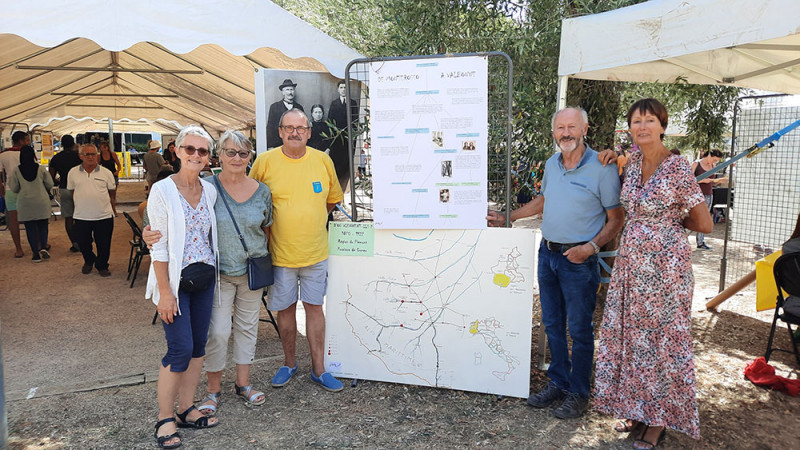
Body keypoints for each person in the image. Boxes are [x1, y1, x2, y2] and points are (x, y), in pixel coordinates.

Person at [487, 107, 623, 419]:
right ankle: (559, 382)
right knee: (552, 324)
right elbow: (544, 201)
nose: (566, 133)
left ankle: (579, 392)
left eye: (572, 127)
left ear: (585, 129)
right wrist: (508, 217)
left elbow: (616, 218)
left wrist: (590, 248)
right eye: (560, 128)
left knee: (580, 329)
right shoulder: (551, 163)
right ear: (553, 132)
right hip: (548, 254)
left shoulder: (602, 167)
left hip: (579, 260)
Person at [593, 98, 712, 449]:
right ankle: (636, 408)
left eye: (649, 120)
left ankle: (658, 419)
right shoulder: (632, 163)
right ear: (630, 127)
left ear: (662, 125)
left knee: (662, 342)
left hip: (665, 271)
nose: (642, 126)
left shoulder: (677, 168)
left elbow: (704, 223)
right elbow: (620, 176)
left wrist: (666, 224)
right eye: (636, 121)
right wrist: (610, 154)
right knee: (633, 339)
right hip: (631, 267)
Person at [143, 130, 273, 415]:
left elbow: (267, 229)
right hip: (215, 275)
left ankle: (242, 384)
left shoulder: (256, 191)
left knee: (245, 330)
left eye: (243, 153)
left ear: (250, 157)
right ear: (220, 156)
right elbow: (154, 219)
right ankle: (211, 391)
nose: (236, 158)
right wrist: (146, 232)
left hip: (247, 273)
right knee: (216, 334)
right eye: (230, 152)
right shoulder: (205, 186)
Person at [250, 109, 345, 392]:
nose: (295, 133)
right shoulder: (265, 161)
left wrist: (309, 217)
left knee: (315, 309)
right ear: (280, 131)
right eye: (289, 128)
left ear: (309, 132)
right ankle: (288, 363)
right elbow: (251, 199)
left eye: (300, 128)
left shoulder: (322, 160)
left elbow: (331, 200)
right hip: (280, 255)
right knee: (286, 310)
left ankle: (319, 369)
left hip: (316, 252)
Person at [146, 125, 219, 449]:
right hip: (175, 283)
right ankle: (165, 417)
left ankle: (187, 408)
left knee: (198, 346)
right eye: (190, 149)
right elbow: (159, 247)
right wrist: (165, 293)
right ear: (176, 151)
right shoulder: (162, 190)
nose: (196, 155)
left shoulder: (209, 190)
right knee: (179, 348)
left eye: (202, 151)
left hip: (204, 279)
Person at [67, 144, 116, 277]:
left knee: (104, 244)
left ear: (97, 155)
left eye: (93, 154)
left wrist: (112, 208)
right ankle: (89, 261)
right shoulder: (73, 173)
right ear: (80, 156)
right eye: (87, 154)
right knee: (83, 242)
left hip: (103, 215)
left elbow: (112, 192)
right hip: (81, 215)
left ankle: (102, 266)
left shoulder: (106, 173)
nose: (90, 157)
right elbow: (72, 191)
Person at [7, 146, 53, 262]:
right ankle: (43, 247)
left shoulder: (16, 170)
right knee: (43, 225)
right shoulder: (41, 169)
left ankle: (35, 254)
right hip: (41, 200)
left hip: (25, 202)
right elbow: (50, 183)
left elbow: (14, 188)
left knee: (30, 227)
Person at [48, 134, 82, 253]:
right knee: (81, 216)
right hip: (79, 189)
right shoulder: (78, 157)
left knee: (68, 217)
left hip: (64, 188)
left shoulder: (56, 158)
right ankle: (83, 240)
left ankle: (74, 243)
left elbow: (51, 177)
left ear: (61, 144)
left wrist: (59, 181)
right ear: (73, 144)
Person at [0, 130, 32, 257]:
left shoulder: (3, 155)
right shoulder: (28, 153)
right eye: (27, 140)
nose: (28, 142)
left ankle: (18, 249)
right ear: (21, 141)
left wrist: (2, 192)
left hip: (10, 190)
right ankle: (37, 245)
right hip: (27, 189)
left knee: (13, 221)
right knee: (31, 218)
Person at [328, 80, 359, 193]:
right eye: (341, 87)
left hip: (348, 140)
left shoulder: (353, 103)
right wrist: (336, 132)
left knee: (347, 165)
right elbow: (330, 121)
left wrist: (350, 135)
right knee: (337, 165)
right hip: (337, 140)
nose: (343, 90)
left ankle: (345, 190)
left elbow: (356, 121)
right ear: (338, 89)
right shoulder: (334, 103)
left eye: (345, 87)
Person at [691, 149, 724, 250]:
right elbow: (688, 180)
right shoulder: (696, 164)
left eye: (716, 161)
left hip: (708, 195)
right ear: (709, 155)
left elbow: (711, 182)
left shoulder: (712, 166)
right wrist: (701, 180)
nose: (715, 162)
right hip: (696, 195)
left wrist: (717, 181)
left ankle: (700, 242)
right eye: (714, 159)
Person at [266, 79, 304, 149]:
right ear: (283, 92)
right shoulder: (274, 107)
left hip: (295, 144)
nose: (290, 92)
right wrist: (270, 146)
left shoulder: (299, 107)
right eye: (287, 90)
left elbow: (302, 128)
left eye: (291, 90)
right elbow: (270, 127)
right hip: (278, 144)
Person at [98, 142, 121, 216]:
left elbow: (119, 165)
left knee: (113, 194)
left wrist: (117, 171)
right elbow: (97, 166)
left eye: (104, 147)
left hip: (113, 175)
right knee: (106, 194)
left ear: (107, 147)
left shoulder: (113, 154)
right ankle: (109, 210)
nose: (103, 149)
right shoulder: (99, 156)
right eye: (101, 148)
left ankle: (113, 210)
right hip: (104, 176)